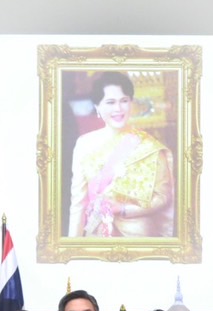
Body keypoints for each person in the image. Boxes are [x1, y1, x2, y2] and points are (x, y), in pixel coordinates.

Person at [66, 69, 175, 238]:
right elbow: (78, 203)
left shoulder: (147, 145)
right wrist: (72, 247)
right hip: (96, 234)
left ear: (131, 103)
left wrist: (124, 210)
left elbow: (163, 197)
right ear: (98, 107)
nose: (118, 108)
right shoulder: (84, 144)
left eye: (124, 101)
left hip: (138, 235)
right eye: (110, 102)